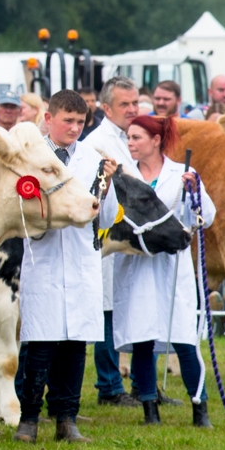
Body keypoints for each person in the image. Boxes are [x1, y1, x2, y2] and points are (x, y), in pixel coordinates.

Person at [13, 90, 117, 445]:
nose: (74, 128)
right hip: (42, 258)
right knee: (40, 344)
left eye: (80, 122)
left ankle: (67, 418)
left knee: (75, 346)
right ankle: (29, 418)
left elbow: (107, 211)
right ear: (48, 119)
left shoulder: (93, 158)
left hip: (80, 259)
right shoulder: (30, 158)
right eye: (67, 121)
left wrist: (109, 183)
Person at [113, 115, 215, 428]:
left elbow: (206, 217)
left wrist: (195, 192)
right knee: (142, 337)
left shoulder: (183, 172)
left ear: (156, 141)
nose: (129, 143)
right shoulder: (122, 175)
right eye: (128, 137)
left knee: (185, 339)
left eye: (136, 138)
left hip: (173, 267)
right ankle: (149, 410)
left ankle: (200, 409)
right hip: (136, 265)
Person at [81, 76, 140, 407]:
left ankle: (139, 382)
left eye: (135, 103)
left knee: (126, 310)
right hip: (109, 240)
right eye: (124, 104)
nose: (131, 110)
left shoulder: (129, 136)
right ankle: (109, 385)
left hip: (130, 241)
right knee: (107, 313)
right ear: (106, 108)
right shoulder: (99, 143)